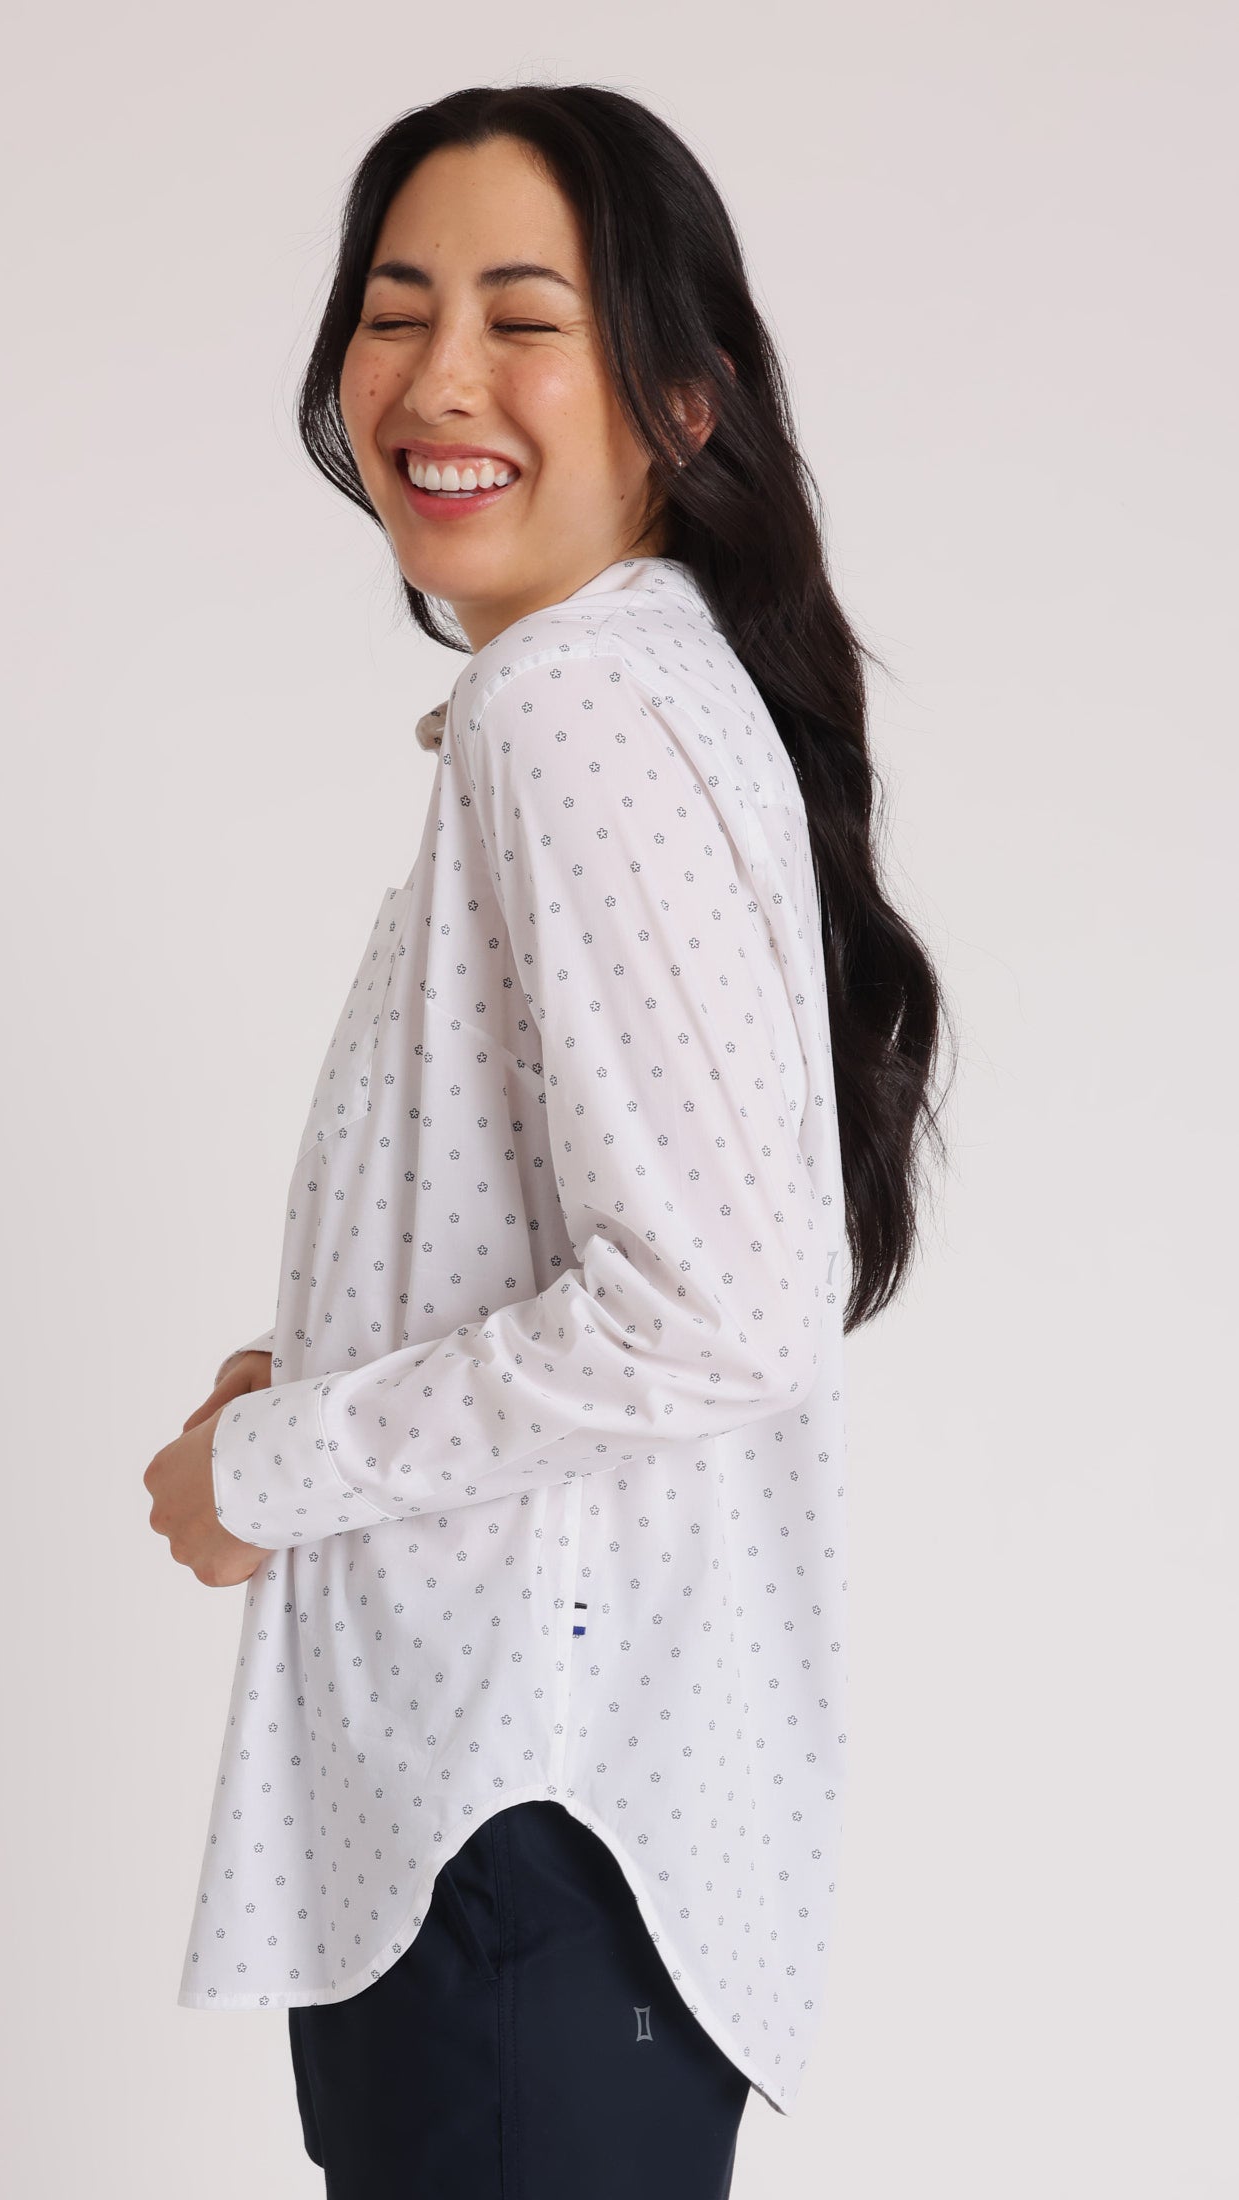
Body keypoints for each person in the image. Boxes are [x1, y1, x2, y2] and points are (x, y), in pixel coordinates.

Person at [144, 82, 949, 2198]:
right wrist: (312, 1375)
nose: (436, 379)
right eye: (393, 310)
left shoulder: (568, 702)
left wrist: (273, 1465)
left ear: (681, 398)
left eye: (522, 319)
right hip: (563, 1830)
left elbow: (721, 1303)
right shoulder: (645, 683)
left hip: (521, 1814)